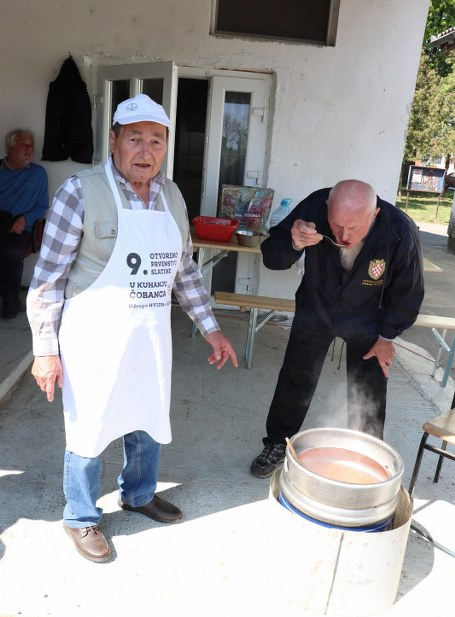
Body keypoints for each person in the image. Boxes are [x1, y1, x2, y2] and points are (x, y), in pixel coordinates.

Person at [27, 94, 238, 562]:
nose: (146, 151)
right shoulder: (80, 191)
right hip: (93, 336)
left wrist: (212, 330)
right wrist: (45, 350)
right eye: (135, 139)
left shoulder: (172, 196)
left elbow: (184, 271)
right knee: (89, 424)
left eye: (156, 140)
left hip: (149, 332)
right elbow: (48, 279)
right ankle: (80, 516)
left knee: (147, 413)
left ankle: (138, 494)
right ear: (114, 140)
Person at [249, 179, 424, 478]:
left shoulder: (399, 230)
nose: (344, 235)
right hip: (317, 308)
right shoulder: (313, 207)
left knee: (369, 387)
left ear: (375, 214)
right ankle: (278, 443)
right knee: (296, 378)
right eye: (337, 225)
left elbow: (408, 293)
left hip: (369, 318)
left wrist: (387, 337)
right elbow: (272, 257)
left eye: (354, 227)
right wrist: (293, 242)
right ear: (328, 208)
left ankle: (365, 453)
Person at [0, 129, 48, 318]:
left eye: (31, 146)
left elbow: (42, 205)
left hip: (20, 227)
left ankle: (11, 302)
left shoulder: (38, 173)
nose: (29, 150)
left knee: (12, 254)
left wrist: (25, 219)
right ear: (10, 148)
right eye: (24, 145)